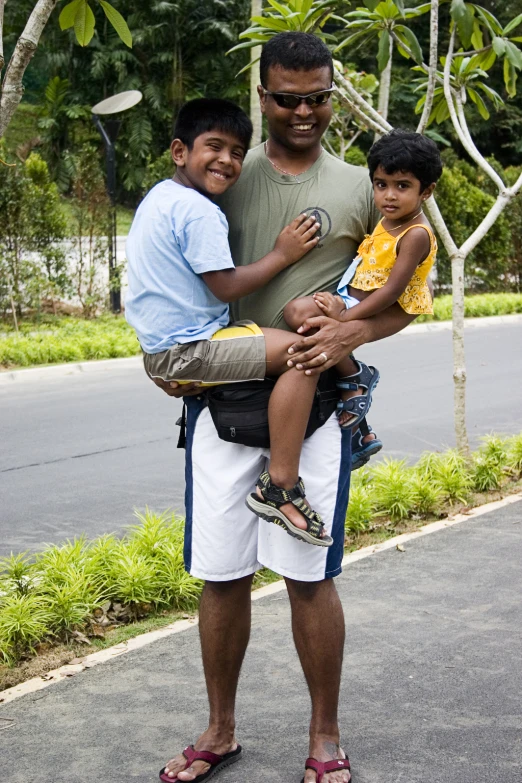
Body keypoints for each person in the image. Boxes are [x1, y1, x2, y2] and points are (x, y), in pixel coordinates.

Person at [153, 32, 424, 783]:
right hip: (218, 399)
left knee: (308, 575)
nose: (304, 112)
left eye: (318, 98)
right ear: (262, 96)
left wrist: (351, 331)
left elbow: (403, 299)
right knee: (221, 572)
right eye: (287, 98)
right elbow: (168, 272)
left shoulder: (368, 187)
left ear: (332, 97)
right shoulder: (222, 175)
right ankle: (219, 727)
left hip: (313, 407)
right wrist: (162, 357)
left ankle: (326, 736)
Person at [126, 97, 375, 548]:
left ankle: (352, 403)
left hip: (172, 349)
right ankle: (280, 484)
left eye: (237, 152)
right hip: (190, 351)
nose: (226, 160)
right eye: (214, 147)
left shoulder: (159, 198)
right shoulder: (197, 209)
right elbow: (224, 286)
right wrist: (284, 254)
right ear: (179, 151)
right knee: (306, 350)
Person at [284, 129, 443, 418]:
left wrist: (344, 317)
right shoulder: (390, 217)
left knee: (305, 321)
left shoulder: (415, 234)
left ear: (426, 191)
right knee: (296, 311)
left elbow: (392, 291)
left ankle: (352, 378)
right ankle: (356, 373)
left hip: (367, 306)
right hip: (351, 295)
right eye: (381, 184)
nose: (389, 196)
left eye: (402, 186)